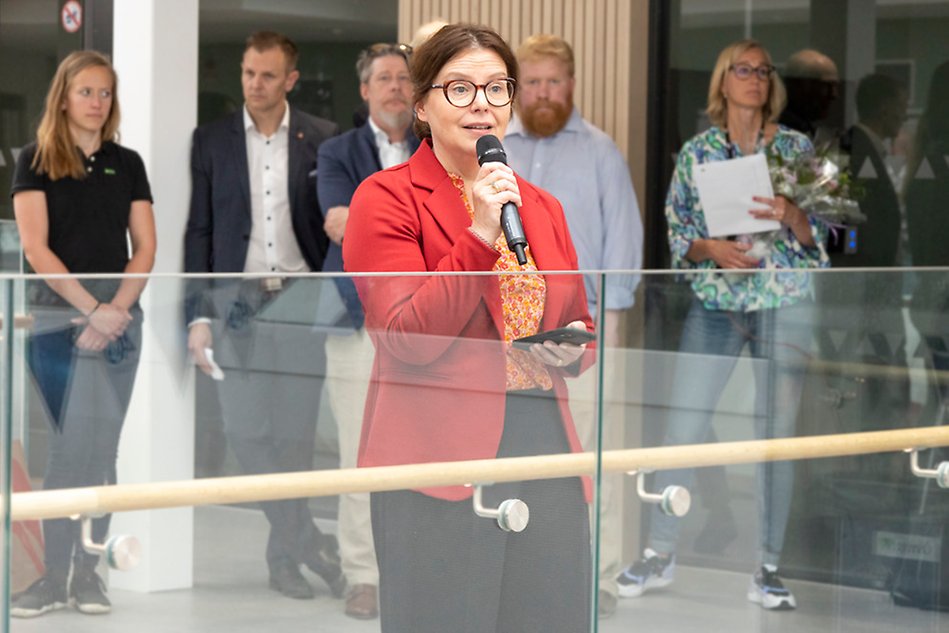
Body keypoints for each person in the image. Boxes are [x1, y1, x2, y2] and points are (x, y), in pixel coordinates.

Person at [343, 23, 595, 633]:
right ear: (423, 104)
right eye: (460, 89)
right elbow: (405, 338)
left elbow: (577, 315)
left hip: (542, 442)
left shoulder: (540, 205)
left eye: (496, 88)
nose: (481, 103)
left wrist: (574, 343)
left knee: (553, 619)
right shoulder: (385, 198)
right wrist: (480, 233)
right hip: (436, 449)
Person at [616, 39, 829, 611]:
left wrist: (793, 214)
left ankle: (767, 567)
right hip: (716, 303)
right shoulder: (698, 152)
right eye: (744, 69)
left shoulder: (796, 148)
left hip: (782, 302)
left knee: (775, 438)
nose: (755, 78)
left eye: (764, 70)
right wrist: (711, 247)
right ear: (723, 82)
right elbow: (678, 235)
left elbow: (827, 237)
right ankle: (660, 553)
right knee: (682, 427)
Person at [184, 31, 344, 601]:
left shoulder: (323, 139)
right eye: (249, 73)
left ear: (291, 81)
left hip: (300, 299)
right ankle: (308, 539)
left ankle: (284, 560)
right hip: (238, 303)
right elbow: (199, 230)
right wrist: (197, 315)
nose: (255, 84)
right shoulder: (211, 140)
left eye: (268, 76)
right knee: (245, 431)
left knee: (296, 437)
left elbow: (335, 230)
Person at [10, 50, 157, 617]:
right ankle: (52, 577)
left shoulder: (129, 162)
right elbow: (35, 248)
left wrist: (115, 308)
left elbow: (144, 247)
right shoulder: (35, 161)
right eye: (86, 92)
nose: (97, 103)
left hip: (121, 324)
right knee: (69, 451)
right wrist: (91, 309)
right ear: (63, 97)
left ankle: (88, 574)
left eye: (104, 93)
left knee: (103, 451)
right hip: (55, 322)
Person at [503, 32, 642, 618]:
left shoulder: (600, 152)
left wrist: (606, 330)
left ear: (573, 85)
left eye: (553, 81)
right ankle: (522, 568)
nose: (542, 93)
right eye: (531, 82)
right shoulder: (493, 149)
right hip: (506, 332)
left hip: (578, 334)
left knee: (591, 457)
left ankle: (601, 576)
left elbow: (624, 244)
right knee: (517, 454)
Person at [316, 41, 420, 620]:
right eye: (384, 79)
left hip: (428, 325)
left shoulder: (436, 149)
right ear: (365, 90)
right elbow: (338, 226)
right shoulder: (337, 152)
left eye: (404, 79)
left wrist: (373, 220)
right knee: (359, 454)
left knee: (425, 451)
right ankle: (363, 573)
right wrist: (413, 227)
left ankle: (414, 565)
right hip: (357, 320)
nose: (395, 88)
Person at [779, 49, 840, 142]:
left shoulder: (803, 127)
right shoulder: (784, 131)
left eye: (835, 86)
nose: (833, 94)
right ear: (799, 86)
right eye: (826, 86)